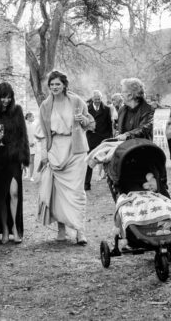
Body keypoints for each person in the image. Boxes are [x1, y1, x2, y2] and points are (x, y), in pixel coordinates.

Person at [36, 70, 95, 245]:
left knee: (77, 192)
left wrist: (83, 119)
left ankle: (80, 230)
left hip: (75, 149)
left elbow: (90, 124)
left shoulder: (76, 101)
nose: (54, 87)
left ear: (64, 85)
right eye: (52, 84)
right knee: (58, 192)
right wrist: (45, 154)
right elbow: (43, 133)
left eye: (58, 84)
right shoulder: (45, 106)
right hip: (55, 149)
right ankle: (61, 229)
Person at [0, 82, 31, 244]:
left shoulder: (17, 111)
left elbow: (23, 136)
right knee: (1, 196)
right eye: (3, 97)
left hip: (14, 160)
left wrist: (24, 159)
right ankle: (4, 230)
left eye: (9, 97)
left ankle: (15, 228)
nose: (6, 100)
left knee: (14, 193)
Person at [85, 90, 113, 190]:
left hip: (103, 138)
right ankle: (86, 184)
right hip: (91, 138)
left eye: (99, 99)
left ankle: (112, 183)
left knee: (107, 160)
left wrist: (110, 138)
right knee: (90, 160)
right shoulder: (87, 109)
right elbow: (84, 123)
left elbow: (110, 124)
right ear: (92, 99)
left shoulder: (107, 109)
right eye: (96, 99)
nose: (97, 101)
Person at [25, 112, 37, 181]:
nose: (34, 118)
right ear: (29, 118)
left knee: (32, 160)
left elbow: (37, 134)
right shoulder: (24, 126)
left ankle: (31, 176)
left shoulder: (35, 125)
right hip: (25, 145)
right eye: (32, 117)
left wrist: (33, 142)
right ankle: (25, 172)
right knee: (24, 160)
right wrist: (26, 143)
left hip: (33, 145)